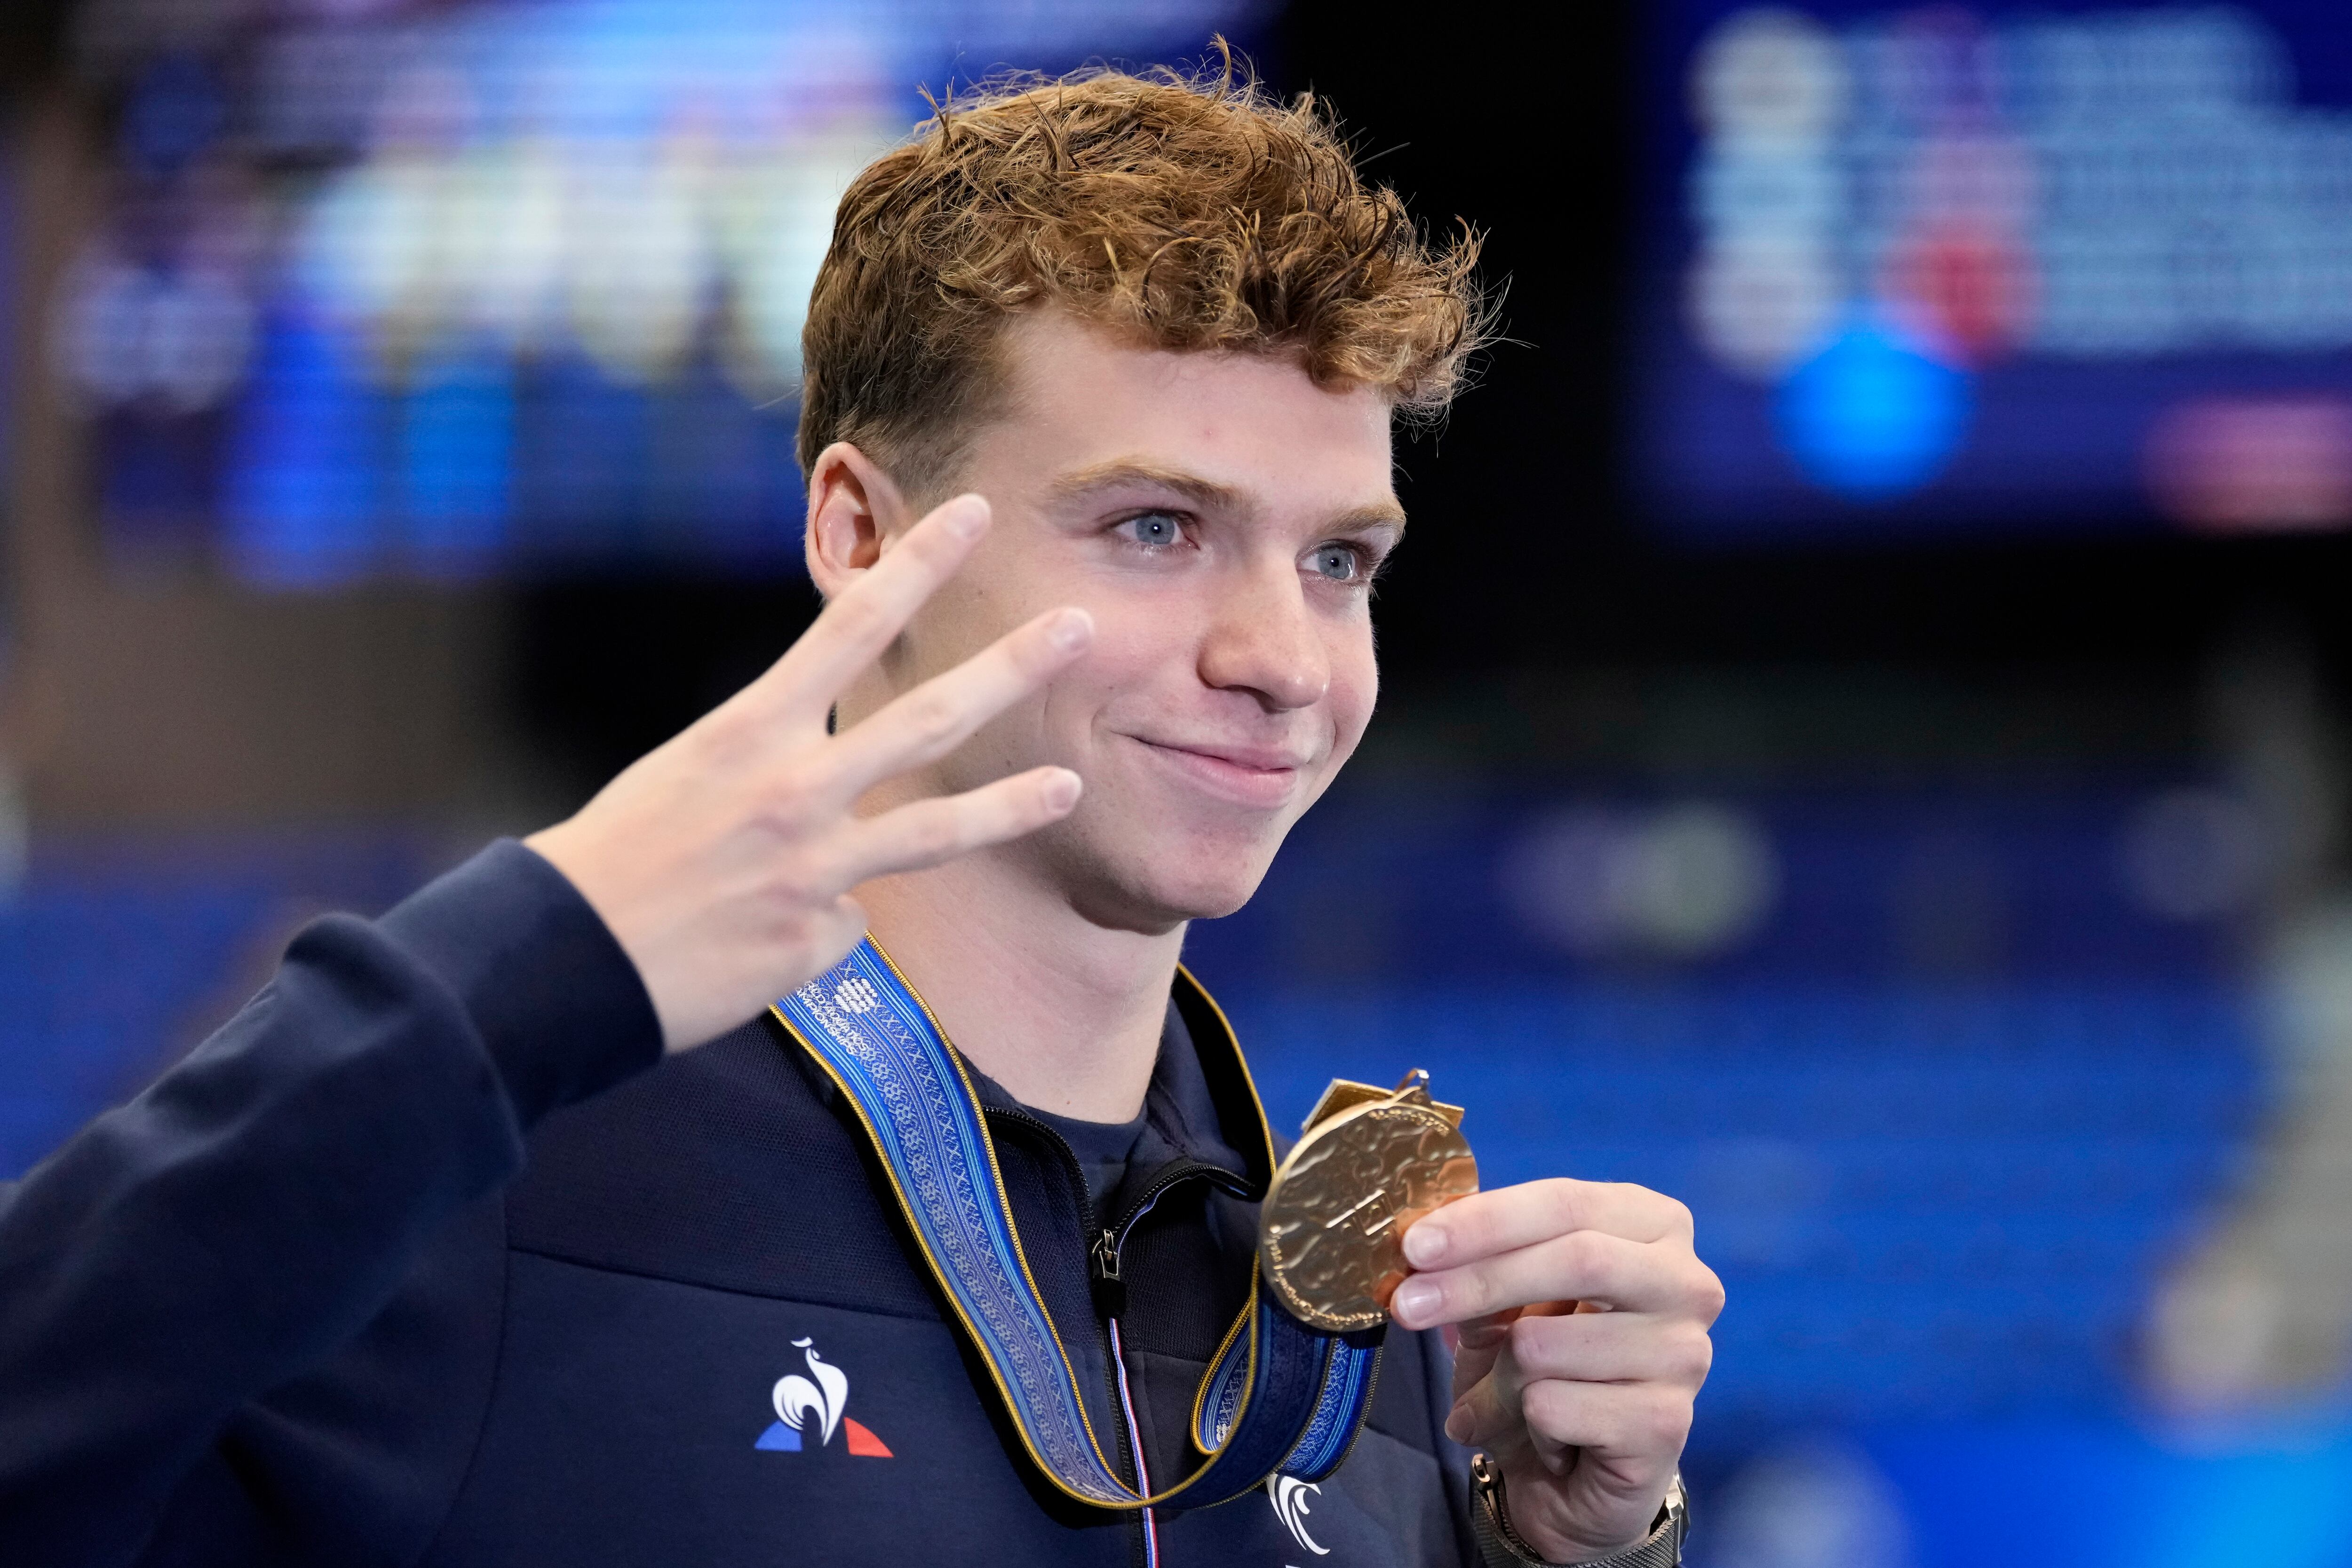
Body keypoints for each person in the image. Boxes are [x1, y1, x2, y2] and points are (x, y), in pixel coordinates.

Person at [0, 63, 1720, 1567]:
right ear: (860, 536)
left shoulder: (1365, 1311)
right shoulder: (495, 1171)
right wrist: (505, 975)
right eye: (1153, 526)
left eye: (1338, 559)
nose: (1281, 659)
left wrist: (1566, 1555)